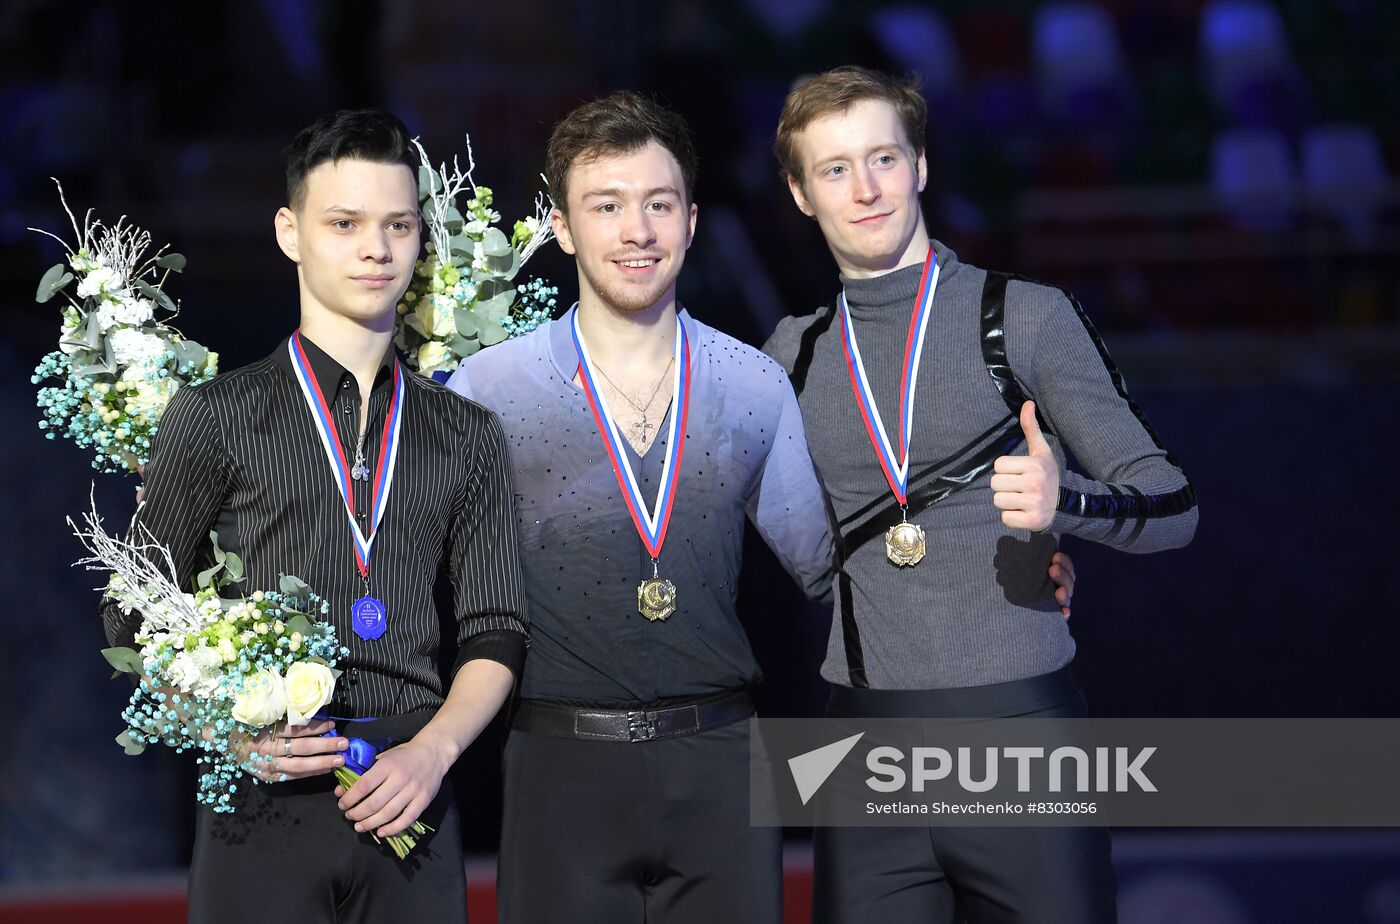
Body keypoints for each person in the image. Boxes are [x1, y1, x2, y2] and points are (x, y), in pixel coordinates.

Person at [448, 92, 1077, 922]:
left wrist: (1006, 567)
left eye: (659, 204)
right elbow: (425, 570)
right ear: (563, 227)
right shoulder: (488, 391)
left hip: (723, 766)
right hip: (559, 764)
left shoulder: (752, 382)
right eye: (607, 206)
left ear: (693, 219)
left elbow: (833, 569)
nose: (637, 230)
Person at [762, 66, 1199, 924]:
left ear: (920, 164)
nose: (866, 188)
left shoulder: (1023, 315)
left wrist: (1063, 503)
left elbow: (1175, 506)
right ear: (801, 194)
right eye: (835, 168)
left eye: (884, 157)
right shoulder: (790, 353)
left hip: (1021, 739)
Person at [100, 109, 528, 924]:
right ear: (290, 231)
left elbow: (497, 626)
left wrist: (432, 754)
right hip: (261, 797)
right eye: (345, 224)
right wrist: (228, 737)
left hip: (415, 795)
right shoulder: (216, 414)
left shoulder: (465, 430)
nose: (377, 248)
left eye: (398, 224)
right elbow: (130, 606)